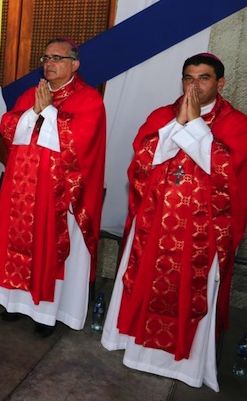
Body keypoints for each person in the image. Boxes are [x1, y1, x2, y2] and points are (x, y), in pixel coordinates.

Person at [101, 53, 247, 392]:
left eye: (203, 78)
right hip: (153, 226)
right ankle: (135, 350)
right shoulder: (161, 116)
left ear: (220, 83)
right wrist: (177, 126)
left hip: (201, 233)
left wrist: (193, 126)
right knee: (142, 285)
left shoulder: (236, 124)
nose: (194, 85)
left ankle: (185, 366)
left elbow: (231, 176)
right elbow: (142, 163)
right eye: (188, 78)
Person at [0, 38, 106, 337]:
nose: (49, 63)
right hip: (22, 191)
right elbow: (8, 126)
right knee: (18, 245)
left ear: (75, 64)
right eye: (46, 58)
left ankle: (47, 313)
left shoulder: (89, 98)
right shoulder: (32, 93)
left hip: (59, 195)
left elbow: (81, 141)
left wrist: (49, 113)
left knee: (50, 250)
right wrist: (34, 112)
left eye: (57, 58)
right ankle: (15, 304)